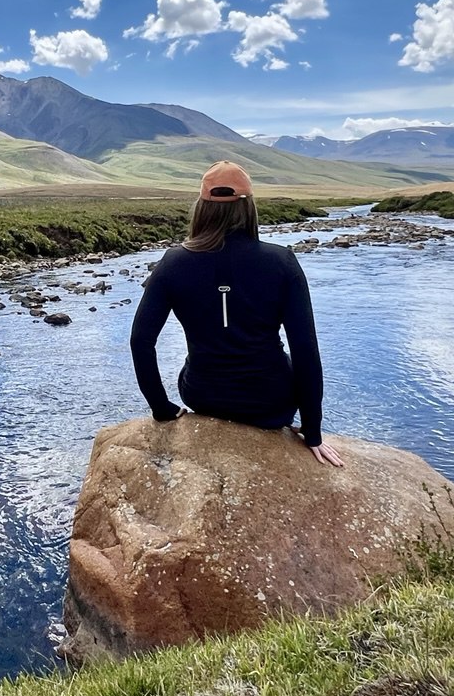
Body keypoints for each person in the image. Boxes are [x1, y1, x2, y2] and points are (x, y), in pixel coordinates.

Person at [130, 160, 344, 467]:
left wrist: (161, 407)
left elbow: (140, 341)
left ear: (202, 208)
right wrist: (312, 432)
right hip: (272, 405)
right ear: (249, 208)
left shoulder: (173, 262)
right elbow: (305, 350)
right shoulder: (281, 262)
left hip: (202, 396)